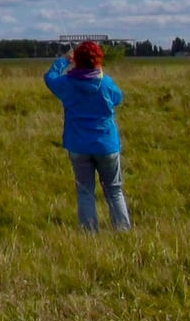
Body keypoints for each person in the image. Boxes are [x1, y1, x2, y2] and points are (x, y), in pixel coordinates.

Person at [44, 41, 131, 231]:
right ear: (97, 61)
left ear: (77, 61)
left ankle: (89, 235)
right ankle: (123, 232)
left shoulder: (65, 84)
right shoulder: (106, 83)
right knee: (114, 191)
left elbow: (49, 77)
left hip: (78, 146)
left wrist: (63, 61)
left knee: (85, 193)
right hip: (107, 146)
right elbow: (118, 98)